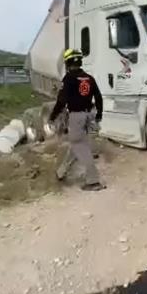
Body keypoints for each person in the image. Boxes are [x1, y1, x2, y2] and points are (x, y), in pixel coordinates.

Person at [48, 49, 105, 191]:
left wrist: (52, 117)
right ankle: (61, 172)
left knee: (80, 146)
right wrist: (99, 115)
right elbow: (98, 97)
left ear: (67, 63)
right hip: (90, 114)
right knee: (77, 143)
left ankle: (93, 181)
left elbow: (61, 101)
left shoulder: (68, 79)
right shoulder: (89, 78)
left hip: (77, 116)